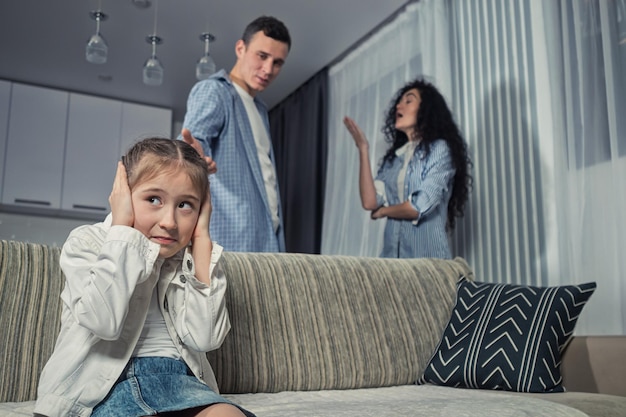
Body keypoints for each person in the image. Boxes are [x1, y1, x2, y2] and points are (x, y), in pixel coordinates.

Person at [34, 138, 254, 417]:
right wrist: (123, 228)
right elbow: (104, 322)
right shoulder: (87, 242)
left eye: (186, 204)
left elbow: (205, 338)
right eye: (153, 199)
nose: (170, 221)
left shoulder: (190, 257)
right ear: (123, 194)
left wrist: (201, 239)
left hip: (181, 383)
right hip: (103, 388)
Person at [179, 15, 291, 252]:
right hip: (232, 238)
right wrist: (192, 157)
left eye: (278, 62)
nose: (268, 69)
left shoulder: (260, 108)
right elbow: (189, 145)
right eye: (262, 56)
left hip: (267, 236)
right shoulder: (215, 91)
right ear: (241, 48)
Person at [343, 78, 471, 259]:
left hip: (428, 264)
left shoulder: (440, 149)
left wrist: (384, 212)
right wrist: (363, 148)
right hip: (392, 265)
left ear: (426, 110)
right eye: (399, 102)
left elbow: (418, 207)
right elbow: (370, 202)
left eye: (408, 101)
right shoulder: (395, 158)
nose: (398, 107)